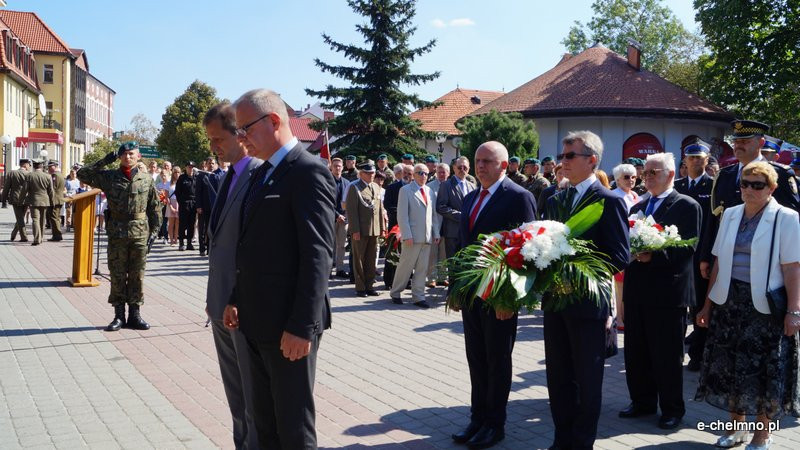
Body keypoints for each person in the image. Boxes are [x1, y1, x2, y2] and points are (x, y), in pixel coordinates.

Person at [224, 88, 334, 449]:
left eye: (245, 128)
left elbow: (318, 255)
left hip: (289, 326)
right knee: (265, 425)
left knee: (293, 427)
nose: (241, 137)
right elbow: (253, 246)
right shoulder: (262, 173)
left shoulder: (308, 171)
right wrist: (236, 297)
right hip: (256, 321)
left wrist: (302, 325)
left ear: (273, 120)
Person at [696, 161, 800, 449]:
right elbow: (718, 261)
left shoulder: (786, 218)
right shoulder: (730, 214)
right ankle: (736, 428)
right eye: (745, 183)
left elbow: (792, 268)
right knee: (730, 368)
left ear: (772, 188)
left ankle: (762, 434)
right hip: (729, 303)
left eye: (757, 185)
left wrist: (794, 311)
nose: (749, 189)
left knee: (763, 372)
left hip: (765, 308)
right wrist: (707, 305)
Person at [542, 131, 629, 449]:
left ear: (592, 160)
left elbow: (619, 255)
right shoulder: (555, 200)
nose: (562, 162)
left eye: (570, 156)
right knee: (558, 377)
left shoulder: (609, 201)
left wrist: (578, 270)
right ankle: (561, 439)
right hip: (555, 302)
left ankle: (580, 443)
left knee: (587, 380)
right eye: (561, 156)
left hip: (588, 305)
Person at [450, 141, 536, 448]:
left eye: (487, 161)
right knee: (476, 359)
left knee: (497, 360)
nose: (480, 166)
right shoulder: (471, 197)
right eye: (477, 160)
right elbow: (462, 245)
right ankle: (477, 419)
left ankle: (494, 424)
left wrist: (509, 299)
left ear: (503, 165)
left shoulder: (519, 197)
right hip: (472, 293)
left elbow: (528, 250)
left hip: (499, 296)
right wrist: (457, 288)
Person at [620, 152, 701, 430]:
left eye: (653, 172)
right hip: (638, 291)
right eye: (645, 172)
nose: (647, 177)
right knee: (636, 352)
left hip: (667, 294)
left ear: (670, 174)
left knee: (666, 355)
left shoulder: (686, 205)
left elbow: (688, 246)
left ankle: (671, 409)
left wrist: (653, 256)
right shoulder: (638, 206)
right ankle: (642, 401)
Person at [203, 101, 262, 449]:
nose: (214, 147)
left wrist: (237, 296)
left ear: (239, 134)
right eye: (210, 140)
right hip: (220, 303)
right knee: (235, 395)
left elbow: (254, 247)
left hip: (242, 307)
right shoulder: (228, 176)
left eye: (218, 139)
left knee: (253, 396)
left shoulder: (259, 175)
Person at [703, 120, 799, 293]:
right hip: (725, 263)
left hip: (768, 268)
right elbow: (714, 218)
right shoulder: (725, 175)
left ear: (761, 142)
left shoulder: (781, 174)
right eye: (736, 141)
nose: (738, 145)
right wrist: (705, 256)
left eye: (745, 141)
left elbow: (793, 221)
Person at [77, 142, 161, 331]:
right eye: (123, 154)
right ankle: (119, 316)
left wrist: (154, 232)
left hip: (140, 233)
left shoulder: (147, 179)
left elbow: (154, 208)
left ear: (138, 156)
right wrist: (105, 160)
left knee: (137, 275)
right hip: (117, 233)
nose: (127, 157)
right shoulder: (109, 177)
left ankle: (135, 315)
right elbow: (83, 174)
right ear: (119, 156)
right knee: (117, 274)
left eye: (131, 154)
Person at [674, 138, 715, 372]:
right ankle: (675, 350)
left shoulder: (713, 186)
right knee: (679, 305)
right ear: (685, 161)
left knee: (700, 306)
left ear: (706, 160)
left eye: (699, 158)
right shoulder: (677, 186)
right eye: (691, 158)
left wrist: (706, 257)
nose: (695, 162)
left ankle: (697, 355)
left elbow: (712, 225)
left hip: (700, 257)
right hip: (678, 257)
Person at [389, 163, 440, 308]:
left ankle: (418, 296)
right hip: (412, 237)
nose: (424, 176)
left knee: (422, 269)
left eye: (426, 173)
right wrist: (407, 235)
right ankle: (395, 292)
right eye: (420, 173)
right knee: (405, 267)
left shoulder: (429, 191)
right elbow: (402, 215)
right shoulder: (405, 190)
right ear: (414, 175)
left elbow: (433, 215)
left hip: (426, 237)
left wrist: (436, 232)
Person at [345, 160, 385, 297]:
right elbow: (352, 211)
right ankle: (360, 287)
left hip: (374, 230)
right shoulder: (354, 187)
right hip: (360, 230)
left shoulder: (376, 186)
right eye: (368, 173)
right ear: (361, 173)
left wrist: (382, 228)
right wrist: (354, 230)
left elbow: (380, 209)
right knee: (359, 260)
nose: (371, 175)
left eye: (373, 172)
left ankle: (370, 286)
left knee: (371, 259)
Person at [436, 156, 476, 259]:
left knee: (466, 263)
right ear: (454, 168)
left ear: (469, 169)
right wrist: (461, 216)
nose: (462, 169)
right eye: (459, 167)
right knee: (452, 264)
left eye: (465, 167)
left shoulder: (472, 186)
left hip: (468, 232)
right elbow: (441, 207)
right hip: (453, 233)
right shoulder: (446, 185)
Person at [425, 163, 449, 287]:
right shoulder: (429, 186)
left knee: (444, 253)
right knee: (432, 253)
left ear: (448, 173)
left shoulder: (451, 185)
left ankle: (443, 277)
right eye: (439, 172)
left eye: (444, 172)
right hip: (434, 223)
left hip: (448, 223)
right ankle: (431, 278)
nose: (441, 174)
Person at [195, 157, 222, 256]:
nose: (211, 165)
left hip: (214, 207)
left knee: (210, 228)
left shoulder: (217, 176)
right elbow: (197, 192)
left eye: (213, 163)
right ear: (206, 164)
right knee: (202, 228)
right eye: (209, 163)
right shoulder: (201, 176)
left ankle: (209, 248)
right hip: (203, 206)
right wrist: (198, 206)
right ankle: (202, 248)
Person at [25, 160, 54, 246]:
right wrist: (52, 201)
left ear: (34, 166)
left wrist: (21, 200)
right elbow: (51, 191)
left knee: (35, 219)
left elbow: (25, 189)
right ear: (42, 166)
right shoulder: (48, 176)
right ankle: (41, 238)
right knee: (42, 220)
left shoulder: (29, 175)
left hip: (33, 200)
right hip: (45, 200)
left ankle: (37, 238)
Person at [330, 157, 350, 279]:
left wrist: (345, 215)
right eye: (335, 166)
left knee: (341, 245)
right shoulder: (327, 181)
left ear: (343, 168)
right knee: (330, 245)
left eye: (339, 166)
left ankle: (340, 269)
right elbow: (326, 202)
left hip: (344, 219)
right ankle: (328, 270)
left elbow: (349, 200)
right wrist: (337, 215)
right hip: (331, 218)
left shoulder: (347, 183)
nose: (337, 168)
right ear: (331, 167)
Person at [3, 158, 31, 242]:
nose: (29, 167)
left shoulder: (12, 173)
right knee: (20, 217)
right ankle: (21, 236)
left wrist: (4, 199)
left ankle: (18, 235)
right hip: (26, 199)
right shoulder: (29, 174)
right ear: (25, 165)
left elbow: (6, 187)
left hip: (15, 198)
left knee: (20, 218)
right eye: (29, 165)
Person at [175, 160, 197, 251]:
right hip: (184, 203)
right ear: (186, 168)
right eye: (189, 167)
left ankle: (189, 243)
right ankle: (181, 243)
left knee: (191, 224)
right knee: (183, 224)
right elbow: (177, 192)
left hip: (193, 203)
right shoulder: (182, 178)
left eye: (192, 167)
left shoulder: (196, 177)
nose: (190, 169)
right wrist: (181, 202)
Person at [384, 164, 413, 230]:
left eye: (409, 174)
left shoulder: (416, 189)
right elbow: (387, 205)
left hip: (412, 224)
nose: (406, 175)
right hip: (395, 223)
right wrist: (402, 212)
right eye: (404, 172)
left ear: (413, 176)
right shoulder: (391, 188)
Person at [46, 160, 65, 241]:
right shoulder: (60, 174)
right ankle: (57, 235)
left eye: (50, 167)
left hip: (55, 200)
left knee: (54, 218)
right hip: (58, 199)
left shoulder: (55, 175)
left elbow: (52, 189)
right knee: (56, 218)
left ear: (55, 166)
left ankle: (57, 235)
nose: (49, 169)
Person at [166, 167, 180, 245]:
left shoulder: (181, 182)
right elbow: (166, 196)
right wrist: (171, 207)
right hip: (170, 203)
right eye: (175, 172)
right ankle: (171, 240)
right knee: (171, 223)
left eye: (178, 172)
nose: (177, 174)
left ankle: (176, 239)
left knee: (177, 223)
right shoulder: (168, 183)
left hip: (179, 203)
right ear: (173, 173)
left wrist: (178, 207)